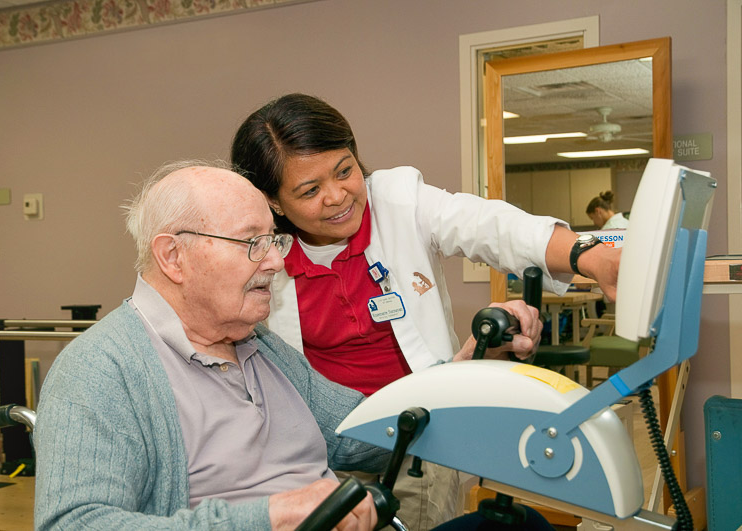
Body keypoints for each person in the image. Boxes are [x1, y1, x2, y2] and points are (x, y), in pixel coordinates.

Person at [33, 160, 554, 531]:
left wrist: (467, 365)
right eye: (252, 243)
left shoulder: (259, 347)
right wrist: (270, 518)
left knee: (514, 525)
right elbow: (73, 524)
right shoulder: (101, 369)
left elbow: (362, 432)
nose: (277, 262)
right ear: (173, 257)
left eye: (275, 240)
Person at [231, 93, 621, 529]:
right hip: (322, 450)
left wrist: (589, 254)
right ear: (274, 202)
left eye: (344, 171)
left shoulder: (397, 201)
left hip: (418, 436)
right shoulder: (261, 256)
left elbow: (492, 227)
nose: (337, 196)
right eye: (310, 190)